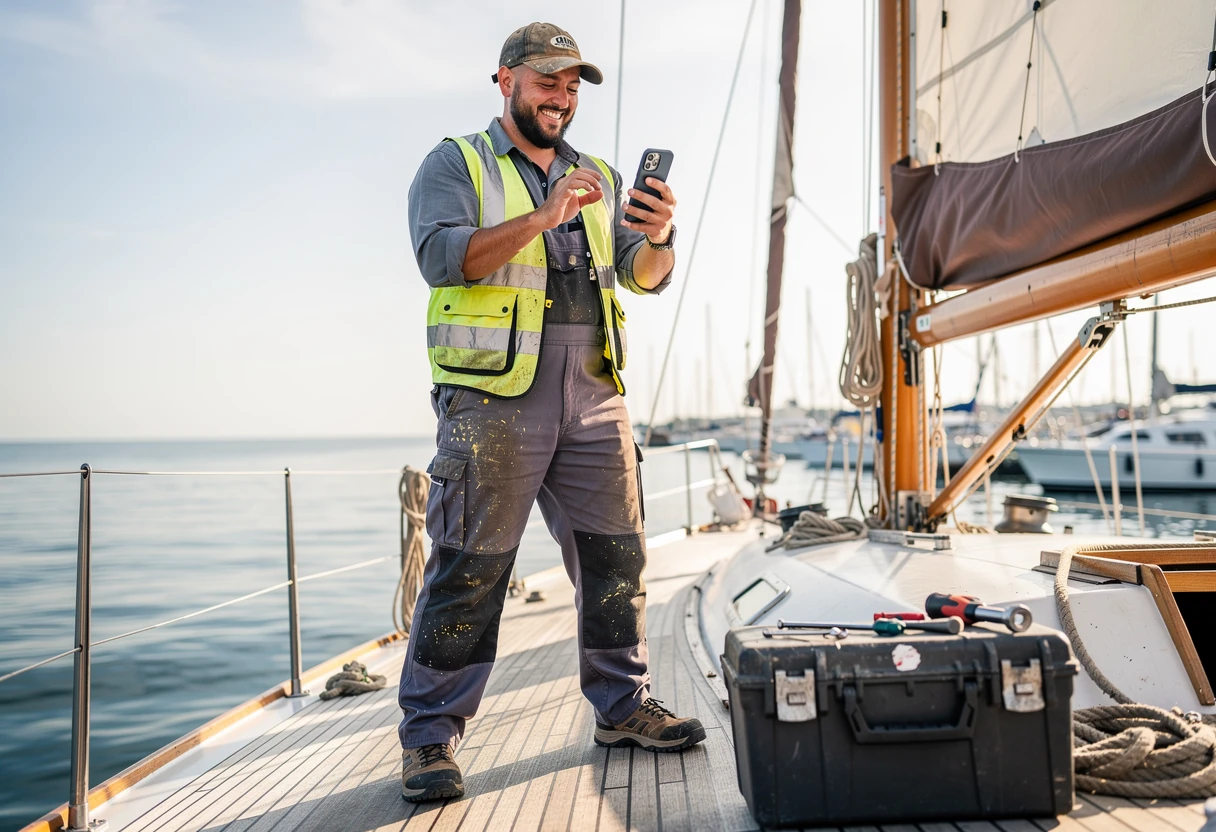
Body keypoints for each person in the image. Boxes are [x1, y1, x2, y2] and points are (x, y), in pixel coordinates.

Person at [398, 21, 703, 803]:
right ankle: (431, 737)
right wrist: (543, 216)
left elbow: (641, 274)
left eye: (572, 86)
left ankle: (623, 705)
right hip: (495, 397)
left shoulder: (598, 173)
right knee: (471, 569)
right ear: (505, 81)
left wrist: (661, 234)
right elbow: (443, 257)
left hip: (595, 395)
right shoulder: (454, 162)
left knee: (616, 560)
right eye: (547, 82)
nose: (562, 98)